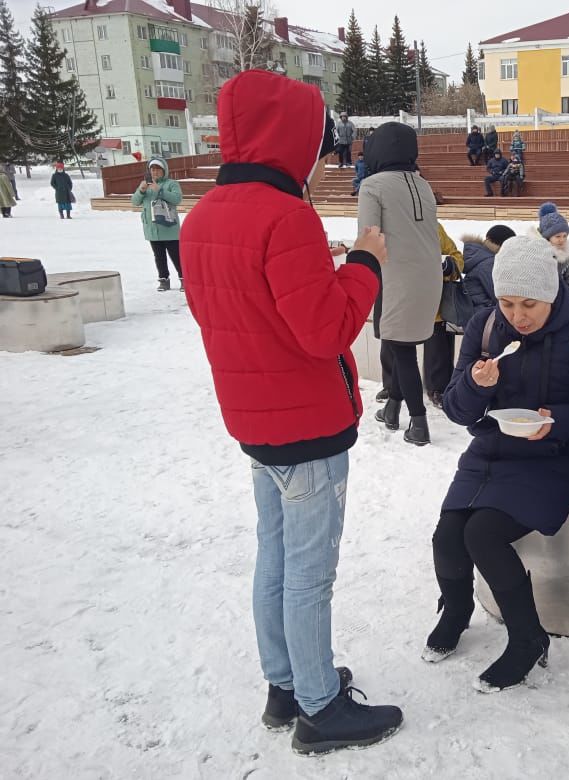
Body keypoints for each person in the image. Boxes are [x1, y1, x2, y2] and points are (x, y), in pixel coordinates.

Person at [180, 69, 402, 755]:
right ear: (291, 136)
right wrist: (364, 262)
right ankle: (319, 707)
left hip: (256, 422)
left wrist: (322, 268)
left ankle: (284, 684)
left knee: (274, 559)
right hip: (306, 428)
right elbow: (325, 332)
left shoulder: (205, 215)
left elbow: (241, 312)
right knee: (308, 571)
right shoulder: (286, 215)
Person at [422, 236, 569, 692]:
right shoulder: (486, 329)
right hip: (491, 451)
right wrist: (477, 385)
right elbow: (458, 411)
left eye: (529, 304)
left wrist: (558, 422)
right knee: (447, 534)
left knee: (481, 534)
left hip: (553, 458)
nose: (517, 316)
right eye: (507, 302)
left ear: (552, 295)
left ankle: (528, 638)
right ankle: (458, 609)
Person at [359, 121, 442, 446]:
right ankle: (393, 408)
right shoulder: (422, 184)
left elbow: (369, 236)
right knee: (400, 343)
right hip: (430, 276)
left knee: (401, 348)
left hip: (397, 277)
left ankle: (418, 423)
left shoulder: (372, 185)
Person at [424, 223, 465, 408]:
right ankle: (434, 389)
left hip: (440, 306)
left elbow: (456, 255)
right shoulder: (401, 227)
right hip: (410, 303)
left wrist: (450, 266)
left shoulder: (435, 228)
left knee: (441, 347)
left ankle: (442, 389)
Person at [131, 158, 183, 291]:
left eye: (158, 169)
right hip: (152, 228)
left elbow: (177, 199)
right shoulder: (145, 185)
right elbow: (135, 202)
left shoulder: (171, 184)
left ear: (164, 170)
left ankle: (184, 279)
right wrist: (141, 190)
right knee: (159, 257)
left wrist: (160, 190)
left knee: (176, 256)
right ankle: (163, 280)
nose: (154, 172)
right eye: (152, 169)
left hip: (169, 228)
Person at [531, 202, 569, 312]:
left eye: (564, 236)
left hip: (561, 301)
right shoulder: (538, 255)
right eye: (557, 236)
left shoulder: (564, 256)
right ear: (547, 237)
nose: (562, 240)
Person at [461, 224, 515, 312]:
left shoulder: (478, 256)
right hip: (482, 315)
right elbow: (498, 294)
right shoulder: (488, 263)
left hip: (473, 311)